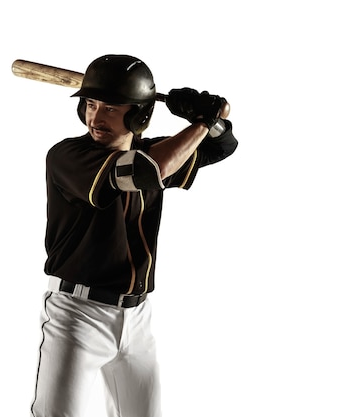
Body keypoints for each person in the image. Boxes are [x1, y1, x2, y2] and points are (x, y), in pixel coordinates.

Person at [30, 54, 238, 417]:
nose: (96, 117)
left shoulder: (153, 152)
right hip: (78, 316)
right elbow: (143, 172)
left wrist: (210, 118)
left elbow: (223, 147)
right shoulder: (68, 156)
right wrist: (203, 122)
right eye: (90, 104)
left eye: (110, 108)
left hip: (138, 318)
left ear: (139, 115)